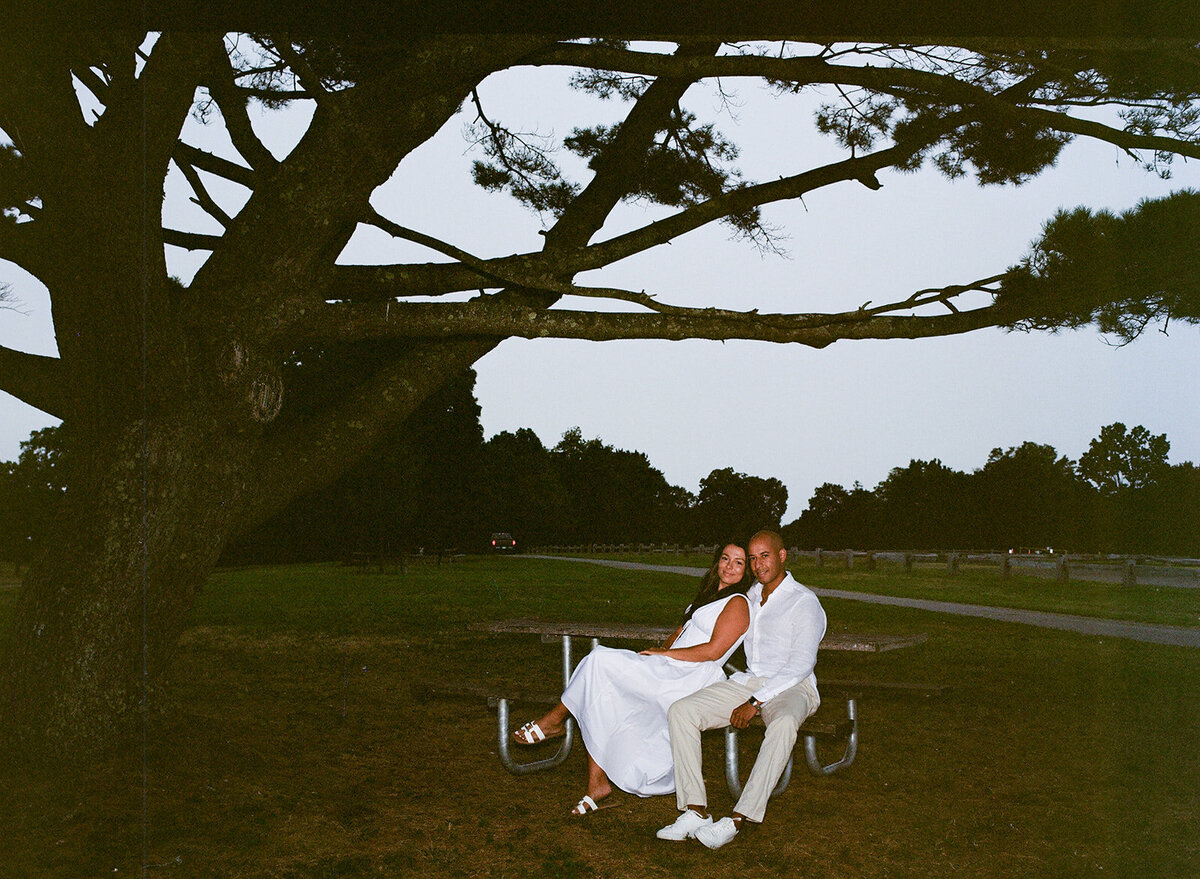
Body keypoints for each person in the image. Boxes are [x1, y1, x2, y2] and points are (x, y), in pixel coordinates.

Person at [512, 541, 754, 816]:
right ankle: (597, 785)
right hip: (673, 667)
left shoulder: (738, 603)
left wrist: (665, 656)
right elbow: (681, 632)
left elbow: (714, 651)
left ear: (747, 572)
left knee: (599, 661)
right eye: (725, 558)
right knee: (600, 686)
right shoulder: (710, 596)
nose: (729, 567)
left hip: (689, 677)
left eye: (738, 563)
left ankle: (553, 721)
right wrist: (664, 649)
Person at [657, 530, 826, 849]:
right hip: (751, 680)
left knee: (784, 723)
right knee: (683, 711)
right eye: (753, 557)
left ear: (782, 555)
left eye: (765, 555)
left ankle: (738, 818)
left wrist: (755, 702)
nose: (758, 563)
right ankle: (695, 810)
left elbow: (800, 664)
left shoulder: (803, 601)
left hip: (794, 686)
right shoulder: (749, 597)